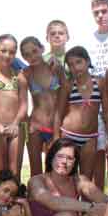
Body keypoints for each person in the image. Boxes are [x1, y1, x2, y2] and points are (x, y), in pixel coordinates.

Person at [84, 0, 108, 190]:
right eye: (96, 13)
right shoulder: (88, 39)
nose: (100, 16)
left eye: (104, 11)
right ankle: (99, 199)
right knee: (98, 152)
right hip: (95, 103)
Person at [0, 34, 29, 178]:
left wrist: (15, 124)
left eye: (12, 52)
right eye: (3, 51)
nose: (7, 55)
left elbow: (24, 104)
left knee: (15, 172)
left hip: (16, 128)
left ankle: (15, 193)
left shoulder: (19, 76)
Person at [55, 46, 103, 181]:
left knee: (85, 179)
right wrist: (55, 138)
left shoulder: (100, 83)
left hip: (90, 137)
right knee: (66, 178)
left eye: (78, 62)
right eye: (71, 65)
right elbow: (58, 113)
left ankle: (85, 196)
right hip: (69, 135)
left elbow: (107, 112)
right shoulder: (68, 85)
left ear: (88, 61)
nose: (75, 67)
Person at [21, 36, 65, 176]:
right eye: (27, 54)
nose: (32, 56)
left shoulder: (56, 68)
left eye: (34, 51)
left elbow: (65, 95)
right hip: (36, 127)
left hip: (56, 126)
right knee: (36, 172)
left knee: (55, 171)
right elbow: (21, 102)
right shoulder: (26, 74)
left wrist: (58, 130)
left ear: (42, 49)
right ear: (23, 57)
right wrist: (27, 123)